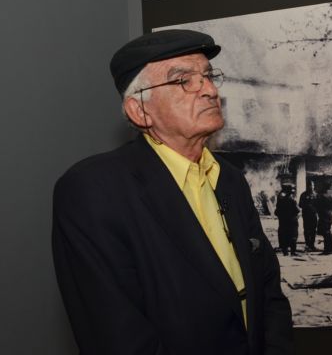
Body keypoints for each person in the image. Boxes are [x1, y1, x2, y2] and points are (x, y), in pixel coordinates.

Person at [52, 29, 293, 354]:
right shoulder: (93, 191)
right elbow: (117, 336)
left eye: (208, 76)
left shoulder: (231, 179)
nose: (210, 91)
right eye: (184, 81)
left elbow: (268, 291)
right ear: (140, 111)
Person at [275, 184, 300, 256]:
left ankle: (285, 251)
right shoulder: (293, 201)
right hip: (292, 222)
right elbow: (297, 210)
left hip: (283, 222)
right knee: (293, 236)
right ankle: (293, 252)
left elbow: (276, 212)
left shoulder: (281, 200)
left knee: (284, 236)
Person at [315, 182, 332, 254]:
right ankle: (331, 248)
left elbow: (317, 205)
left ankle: (327, 249)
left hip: (324, 215)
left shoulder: (322, 196)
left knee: (325, 232)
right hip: (329, 214)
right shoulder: (331, 195)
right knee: (327, 231)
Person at [298, 180, 319, 251]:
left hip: (314, 215)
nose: (311, 187)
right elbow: (300, 205)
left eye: (312, 185)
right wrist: (307, 206)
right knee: (306, 230)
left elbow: (319, 205)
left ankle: (312, 245)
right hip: (306, 215)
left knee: (313, 230)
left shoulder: (316, 195)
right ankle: (307, 244)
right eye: (310, 185)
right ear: (307, 186)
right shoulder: (303, 195)